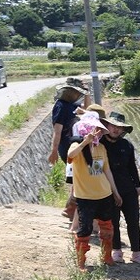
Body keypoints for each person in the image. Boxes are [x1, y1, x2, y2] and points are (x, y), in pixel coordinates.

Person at [68, 111, 122, 272]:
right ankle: (81, 262)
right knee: (85, 230)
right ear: (86, 129)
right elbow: (70, 156)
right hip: (85, 197)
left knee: (107, 227)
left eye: (99, 130)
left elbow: (107, 171)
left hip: (104, 195)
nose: (97, 133)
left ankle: (107, 257)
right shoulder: (76, 145)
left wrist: (115, 192)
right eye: (95, 129)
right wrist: (85, 142)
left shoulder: (102, 148)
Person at [101, 111, 140, 265]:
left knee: (133, 221)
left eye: (119, 127)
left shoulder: (127, 145)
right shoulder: (99, 144)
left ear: (123, 130)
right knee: (113, 221)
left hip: (128, 189)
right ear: (107, 125)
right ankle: (117, 251)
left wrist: (138, 186)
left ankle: (136, 252)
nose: (116, 129)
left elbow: (132, 167)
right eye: (113, 125)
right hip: (107, 190)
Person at [49, 80, 91, 220]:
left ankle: (71, 209)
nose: (79, 94)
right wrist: (54, 150)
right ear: (70, 92)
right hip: (68, 148)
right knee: (79, 177)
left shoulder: (71, 105)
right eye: (77, 92)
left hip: (76, 146)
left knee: (78, 178)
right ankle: (71, 209)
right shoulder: (61, 106)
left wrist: (87, 92)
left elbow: (88, 109)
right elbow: (57, 131)